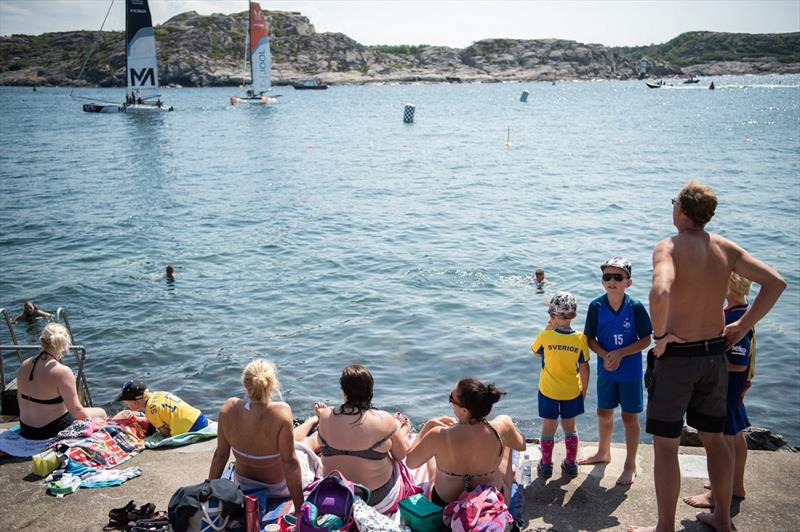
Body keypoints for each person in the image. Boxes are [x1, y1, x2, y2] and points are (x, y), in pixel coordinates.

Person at [629, 181, 785, 532]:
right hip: (714, 356)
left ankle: (665, 527)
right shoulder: (724, 248)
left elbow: (659, 290)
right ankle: (724, 521)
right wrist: (743, 326)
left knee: (667, 446)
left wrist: (660, 337)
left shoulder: (668, 248)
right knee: (715, 441)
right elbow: (775, 282)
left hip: (678, 356)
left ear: (681, 210)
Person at [296, 364, 420, 514]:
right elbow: (400, 456)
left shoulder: (325, 416)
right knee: (395, 459)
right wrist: (396, 427)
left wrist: (323, 414)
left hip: (337, 497)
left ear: (344, 391)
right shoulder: (383, 419)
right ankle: (402, 430)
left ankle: (398, 431)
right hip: (377, 500)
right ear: (370, 391)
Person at [683, 272, 755, 509]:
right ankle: (734, 484)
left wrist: (708, 359)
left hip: (726, 386)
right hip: (736, 386)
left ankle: (717, 493)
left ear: (729, 287)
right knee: (735, 434)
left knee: (724, 438)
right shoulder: (743, 312)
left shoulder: (735, 319)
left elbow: (739, 361)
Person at [208, 359, 318, 514]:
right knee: (308, 443)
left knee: (290, 441)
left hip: (244, 484)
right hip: (278, 487)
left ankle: (311, 421)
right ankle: (314, 423)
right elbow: (290, 463)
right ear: (272, 384)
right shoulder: (281, 412)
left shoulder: (229, 408)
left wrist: (208, 494)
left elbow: (221, 455)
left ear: (245, 383)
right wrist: (300, 507)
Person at [578, 257, 652, 485]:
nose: (611, 281)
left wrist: (620, 353)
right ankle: (603, 451)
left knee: (629, 417)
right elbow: (589, 338)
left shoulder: (636, 307)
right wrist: (605, 355)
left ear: (628, 282)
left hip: (629, 371)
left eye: (617, 277)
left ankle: (630, 464)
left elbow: (646, 339)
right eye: (607, 277)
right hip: (606, 369)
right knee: (603, 412)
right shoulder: (596, 306)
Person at [406, 378, 525, 506]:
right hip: (490, 503)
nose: (450, 401)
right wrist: (509, 430)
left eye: (452, 398)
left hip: (445, 505)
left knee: (435, 451)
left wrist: (428, 426)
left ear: (464, 411)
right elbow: (521, 445)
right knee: (505, 440)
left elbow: (411, 463)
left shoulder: (438, 435)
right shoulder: (501, 426)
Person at [531, 292, 590, 479]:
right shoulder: (580, 339)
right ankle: (571, 464)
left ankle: (547, 464)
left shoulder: (545, 336)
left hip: (548, 390)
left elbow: (536, 352)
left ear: (553, 317)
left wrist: (548, 329)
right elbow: (585, 367)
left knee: (548, 426)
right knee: (570, 427)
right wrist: (584, 390)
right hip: (571, 390)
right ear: (573, 315)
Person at [16, 323, 106, 439]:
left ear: (42, 341)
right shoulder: (63, 372)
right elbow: (77, 412)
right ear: (64, 344)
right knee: (101, 412)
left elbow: (19, 400)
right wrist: (95, 422)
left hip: (26, 430)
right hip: (50, 431)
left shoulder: (25, 364)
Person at [116, 379, 209, 437]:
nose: (127, 406)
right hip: (200, 418)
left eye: (127, 404)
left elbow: (165, 432)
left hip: (190, 428)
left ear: (134, 402)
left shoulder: (150, 411)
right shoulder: (161, 393)